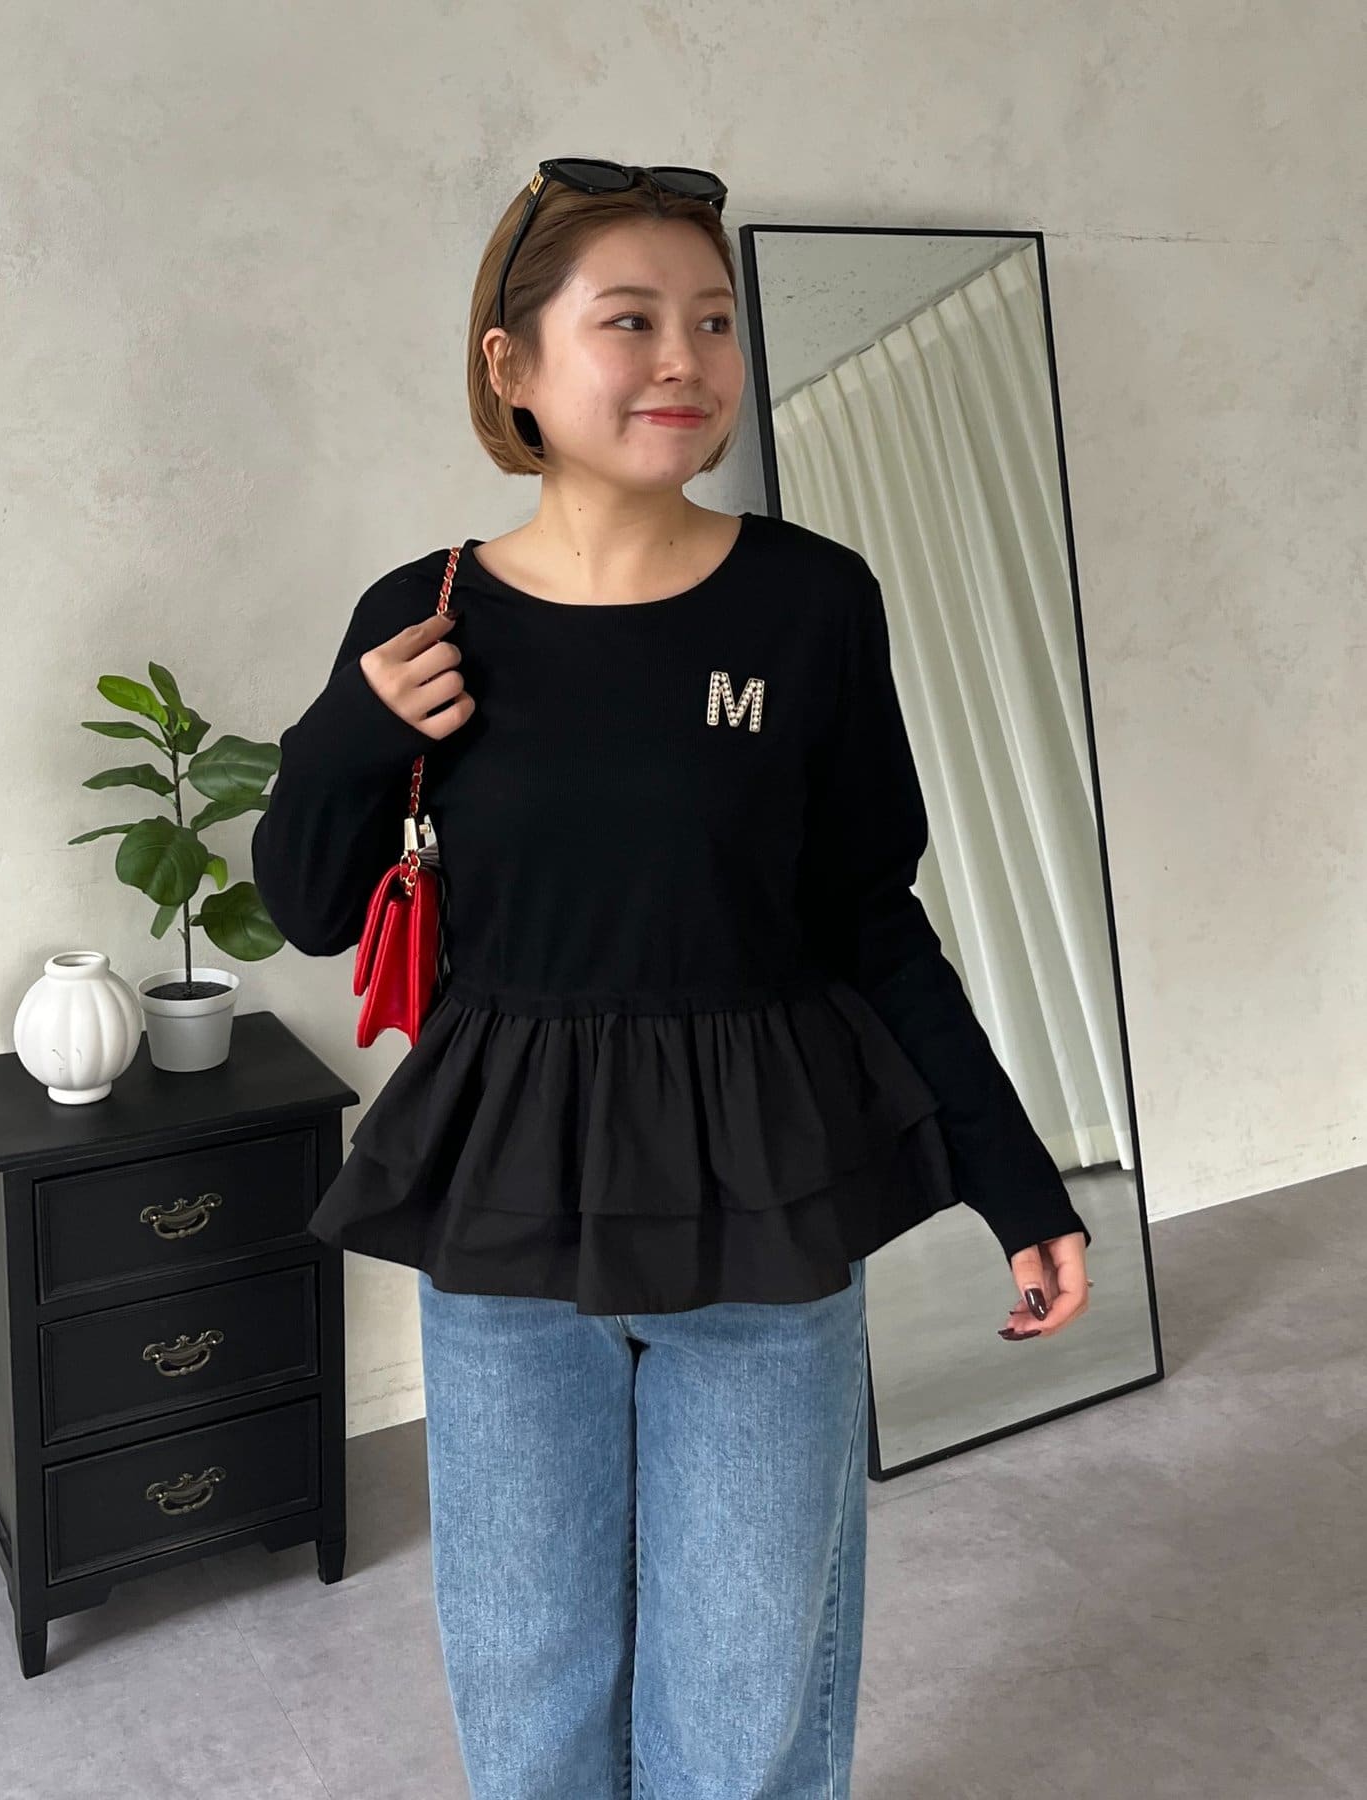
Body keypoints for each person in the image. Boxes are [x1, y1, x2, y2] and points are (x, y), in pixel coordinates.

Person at [251, 159, 1093, 1800]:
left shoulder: (811, 600)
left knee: (746, 1691)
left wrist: (1016, 1180)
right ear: (511, 363)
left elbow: (869, 916)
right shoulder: (421, 614)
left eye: (711, 321)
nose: (684, 361)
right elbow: (305, 909)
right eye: (628, 320)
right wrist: (352, 730)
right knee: (529, 1689)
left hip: (762, 1205)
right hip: (506, 1217)